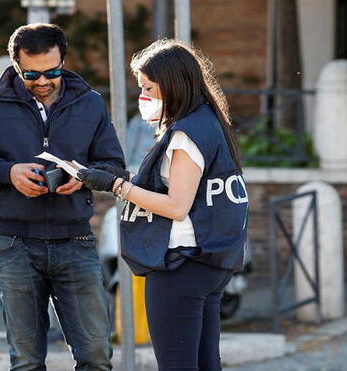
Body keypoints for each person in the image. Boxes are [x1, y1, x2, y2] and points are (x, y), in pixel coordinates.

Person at [0, 23, 124, 371]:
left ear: (64, 61)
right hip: (12, 243)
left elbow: (114, 165)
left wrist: (83, 178)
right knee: (26, 361)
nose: (43, 81)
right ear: (15, 65)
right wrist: (7, 173)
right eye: (31, 74)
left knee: (97, 356)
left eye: (52, 72)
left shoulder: (90, 103)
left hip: (75, 240)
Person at [78, 39, 249, 371]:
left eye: (149, 87)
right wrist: (123, 178)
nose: (144, 96)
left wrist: (117, 186)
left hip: (179, 263)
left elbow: (176, 206)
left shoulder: (186, 134)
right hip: (208, 263)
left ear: (172, 85)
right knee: (204, 363)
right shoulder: (210, 122)